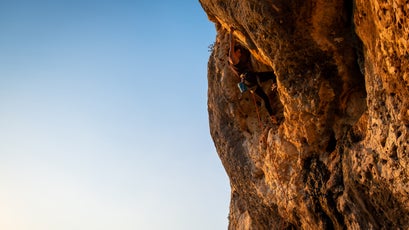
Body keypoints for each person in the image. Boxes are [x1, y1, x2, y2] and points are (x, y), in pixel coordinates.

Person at [228, 28, 277, 122]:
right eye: (238, 52)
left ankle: (272, 116)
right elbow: (231, 44)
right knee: (272, 74)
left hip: (249, 84)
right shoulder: (232, 58)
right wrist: (231, 32)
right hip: (250, 77)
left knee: (265, 97)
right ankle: (274, 85)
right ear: (235, 52)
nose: (240, 53)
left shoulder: (234, 66)